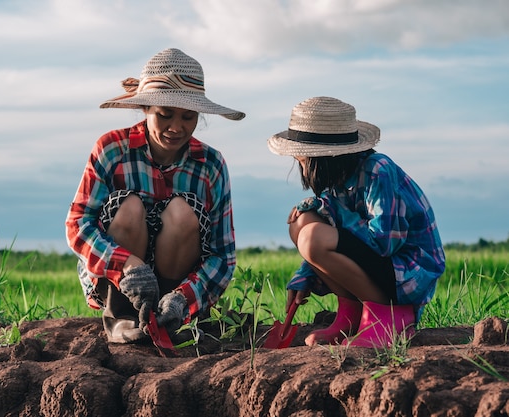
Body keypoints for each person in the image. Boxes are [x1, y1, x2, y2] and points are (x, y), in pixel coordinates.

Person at [65, 48, 245, 344]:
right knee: (129, 207)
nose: (177, 127)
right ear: (146, 109)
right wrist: (126, 263)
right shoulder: (111, 149)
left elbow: (223, 257)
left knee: (182, 212)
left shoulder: (211, 166)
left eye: (188, 117)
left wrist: (184, 298)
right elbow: (77, 224)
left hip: (179, 287)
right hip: (120, 278)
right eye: (165, 115)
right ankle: (122, 318)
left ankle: (171, 316)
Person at [267, 96, 445, 348]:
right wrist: (305, 274)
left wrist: (329, 214)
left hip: (406, 273)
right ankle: (350, 314)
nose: (298, 163)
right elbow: (345, 239)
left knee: (313, 236)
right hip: (381, 266)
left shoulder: (377, 170)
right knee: (301, 221)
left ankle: (387, 318)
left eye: (300, 158)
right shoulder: (339, 181)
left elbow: (385, 244)